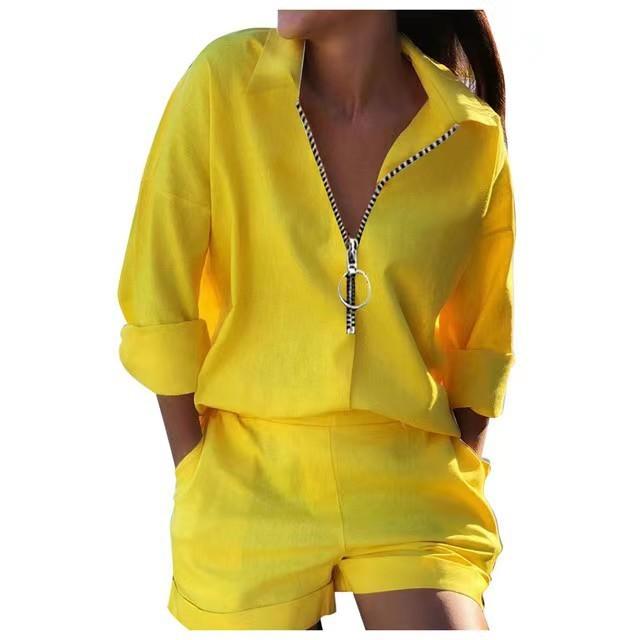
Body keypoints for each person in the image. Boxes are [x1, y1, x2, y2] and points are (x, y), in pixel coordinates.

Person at [117, 9, 516, 631]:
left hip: (409, 480)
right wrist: (194, 466)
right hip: (246, 480)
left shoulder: (469, 134)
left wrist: (458, 466)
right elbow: (157, 289)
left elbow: (483, 338)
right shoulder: (224, 82)